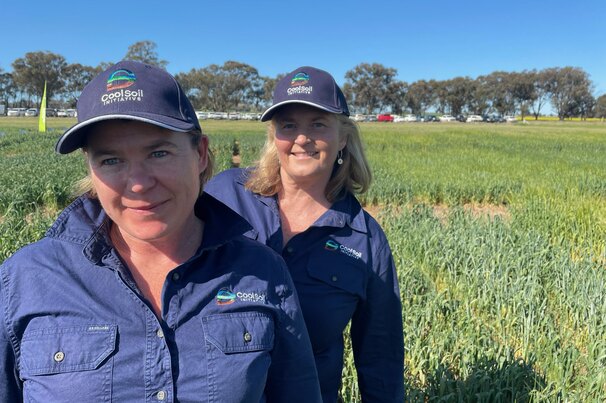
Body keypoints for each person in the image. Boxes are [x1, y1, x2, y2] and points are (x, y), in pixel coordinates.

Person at [0, 61, 322, 402]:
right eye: (110, 160)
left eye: (158, 153)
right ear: (90, 167)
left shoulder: (262, 271)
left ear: (199, 154)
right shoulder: (26, 279)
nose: (138, 184)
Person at [205, 66, 405, 402]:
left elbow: (380, 357)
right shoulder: (225, 196)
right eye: (289, 125)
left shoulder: (365, 240)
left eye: (318, 124)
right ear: (274, 137)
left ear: (343, 137)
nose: (301, 138)